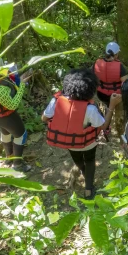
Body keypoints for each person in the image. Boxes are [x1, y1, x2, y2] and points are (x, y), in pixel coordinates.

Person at [43, 69, 111, 199]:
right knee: (90, 160)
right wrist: (111, 108)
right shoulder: (90, 109)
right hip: (88, 142)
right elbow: (101, 125)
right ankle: (89, 190)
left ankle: (84, 173)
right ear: (90, 90)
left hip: (69, 143)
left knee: (78, 159)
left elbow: (44, 118)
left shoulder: (56, 101)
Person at [93, 42, 128, 132]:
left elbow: (92, 76)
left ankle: (105, 128)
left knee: (107, 107)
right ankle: (120, 129)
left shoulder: (97, 63)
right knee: (117, 109)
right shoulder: (119, 66)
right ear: (116, 54)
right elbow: (126, 82)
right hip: (115, 95)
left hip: (101, 94)